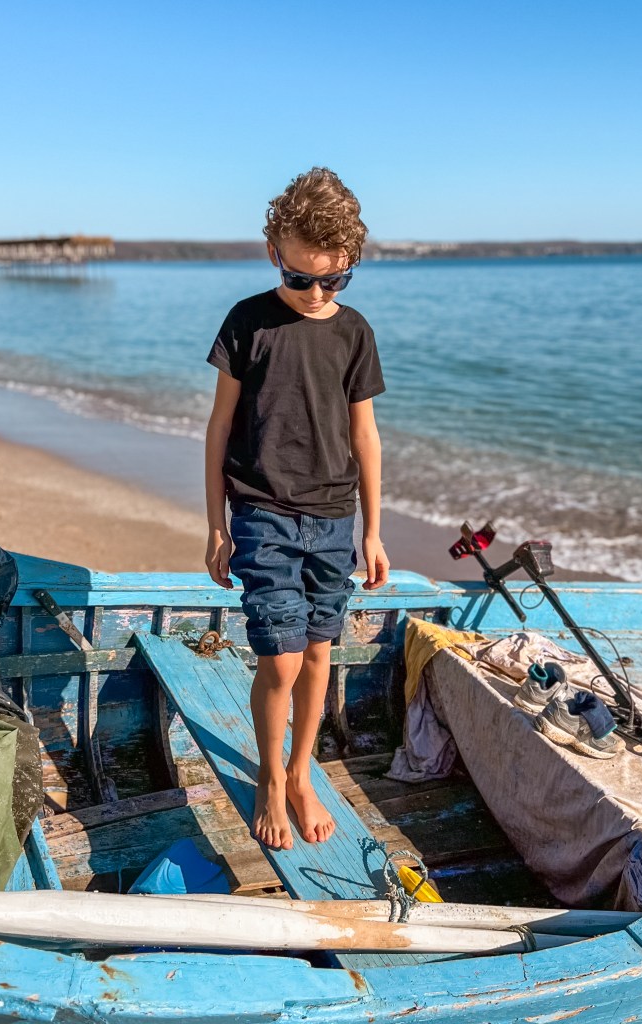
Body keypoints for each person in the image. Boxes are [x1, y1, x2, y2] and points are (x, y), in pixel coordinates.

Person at [205, 167, 389, 850]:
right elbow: (218, 428)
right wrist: (215, 524)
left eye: (333, 281)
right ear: (273, 253)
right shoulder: (247, 322)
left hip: (335, 517)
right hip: (262, 512)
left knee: (317, 653)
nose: (316, 294)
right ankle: (268, 776)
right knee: (278, 660)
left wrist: (374, 531)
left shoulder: (354, 333)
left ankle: (301, 770)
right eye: (301, 278)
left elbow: (365, 435)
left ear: (348, 269)